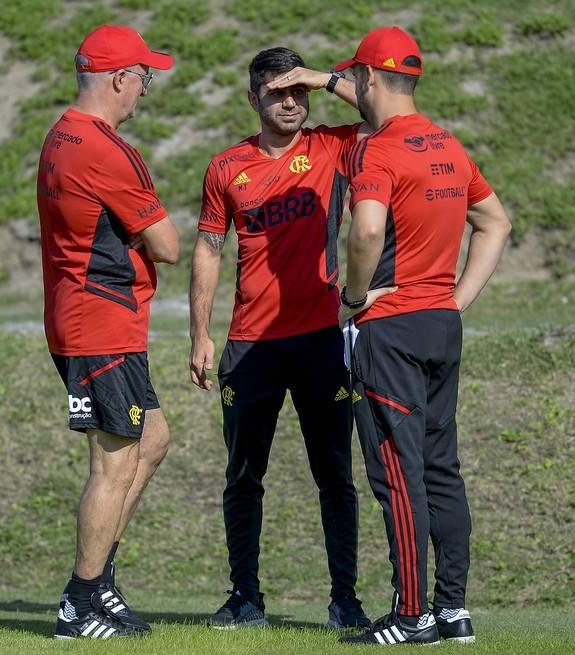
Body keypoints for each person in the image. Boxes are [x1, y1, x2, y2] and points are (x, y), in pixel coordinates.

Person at [332, 27, 512, 646]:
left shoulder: (376, 151)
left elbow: (366, 231)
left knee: (397, 474)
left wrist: (353, 298)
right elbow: (495, 223)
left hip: (390, 330)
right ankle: (452, 610)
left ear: (369, 78)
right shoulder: (448, 146)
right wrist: (455, 300)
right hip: (441, 325)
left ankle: (411, 616)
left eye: (353, 77)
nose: (353, 86)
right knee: (440, 469)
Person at [188, 47, 372, 631]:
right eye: (276, 92)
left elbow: (382, 112)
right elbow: (208, 249)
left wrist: (323, 78)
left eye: (298, 92)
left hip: (322, 340)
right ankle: (245, 597)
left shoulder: (333, 147)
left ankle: (345, 600)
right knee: (243, 476)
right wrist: (199, 333)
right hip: (251, 347)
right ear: (253, 99)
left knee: (336, 477)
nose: (290, 102)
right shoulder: (226, 167)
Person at [36, 24, 180, 640]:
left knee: (153, 440)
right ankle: (80, 601)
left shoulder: (62, 132)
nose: (145, 88)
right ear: (120, 78)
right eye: (144, 76)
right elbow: (168, 245)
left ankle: (100, 582)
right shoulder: (105, 149)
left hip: (88, 316)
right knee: (113, 463)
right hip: (99, 322)